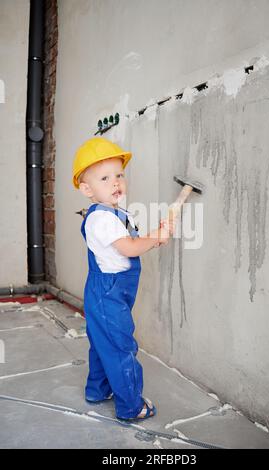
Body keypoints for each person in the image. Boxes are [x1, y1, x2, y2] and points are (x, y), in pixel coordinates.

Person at [72, 136, 175, 421]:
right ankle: (131, 406)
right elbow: (129, 248)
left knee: (103, 342)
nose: (115, 182)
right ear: (87, 189)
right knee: (120, 346)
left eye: (119, 175)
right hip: (108, 292)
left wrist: (156, 233)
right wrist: (156, 239)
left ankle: (97, 389)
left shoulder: (119, 213)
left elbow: (134, 239)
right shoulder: (100, 219)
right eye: (104, 178)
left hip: (113, 290)